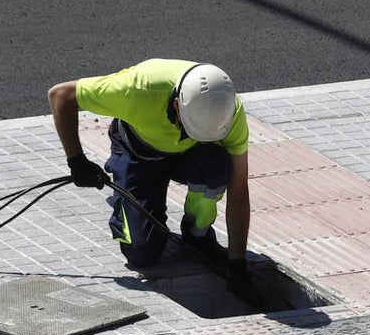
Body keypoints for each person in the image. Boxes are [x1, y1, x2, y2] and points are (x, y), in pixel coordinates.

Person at [48, 59, 252, 295]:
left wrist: (238, 263)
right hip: (139, 154)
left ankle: (197, 233)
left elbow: (239, 187)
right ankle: (128, 211)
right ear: (177, 104)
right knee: (142, 254)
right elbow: (61, 95)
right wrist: (76, 160)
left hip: (189, 157)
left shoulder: (229, 111)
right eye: (189, 129)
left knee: (217, 165)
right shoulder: (137, 89)